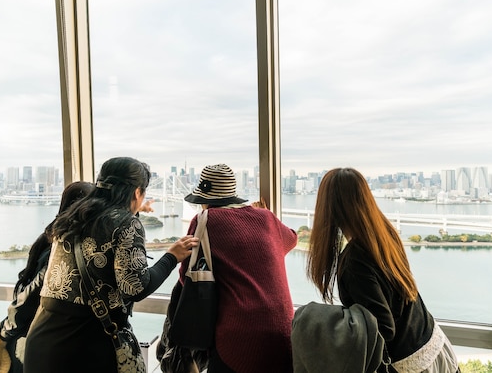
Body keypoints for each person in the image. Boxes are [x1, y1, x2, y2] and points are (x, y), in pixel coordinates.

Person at [23, 157, 198, 373]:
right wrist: (171, 256)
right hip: (86, 346)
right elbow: (134, 287)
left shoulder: (73, 216)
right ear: (137, 192)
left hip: (43, 340)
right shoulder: (126, 223)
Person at [307, 168, 459, 373]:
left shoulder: (355, 260)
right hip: (434, 344)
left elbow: (382, 328)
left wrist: (323, 323)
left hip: (410, 364)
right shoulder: (384, 235)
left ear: (329, 208)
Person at [162, 163, 297, 373]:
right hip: (284, 332)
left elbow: (186, 275)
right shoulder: (266, 218)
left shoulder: (204, 220)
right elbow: (291, 239)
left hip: (238, 338)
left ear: (204, 200)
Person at [0, 181, 95, 373]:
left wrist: (7, 329)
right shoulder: (64, 249)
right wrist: (6, 329)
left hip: (34, 336)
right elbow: (34, 292)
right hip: (44, 339)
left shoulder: (50, 237)